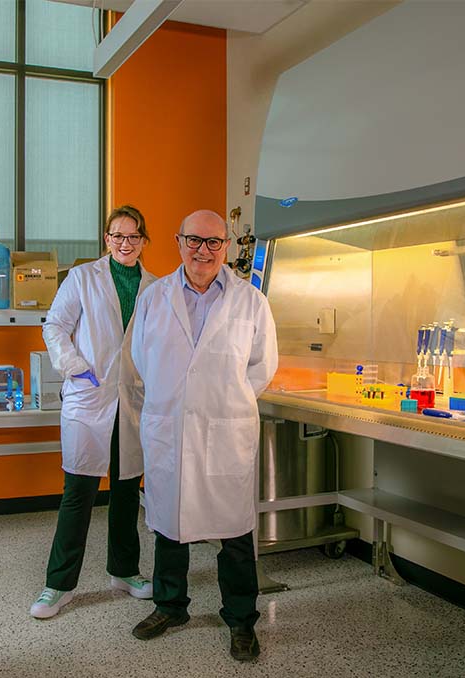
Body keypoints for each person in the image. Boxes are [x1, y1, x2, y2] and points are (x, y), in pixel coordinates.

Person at [129, 209, 279, 661]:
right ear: (178, 243)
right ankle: (170, 606)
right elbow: (141, 357)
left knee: (234, 533)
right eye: (194, 240)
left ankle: (240, 619)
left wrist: (223, 404)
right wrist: (180, 399)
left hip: (224, 430)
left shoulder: (251, 301)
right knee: (168, 526)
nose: (203, 250)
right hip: (170, 427)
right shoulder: (154, 298)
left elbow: (262, 366)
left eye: (214, 242)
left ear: (226, 248)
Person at [30, 205, 158, 619]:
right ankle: (58, 585)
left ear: (143, 240)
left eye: (133, 236)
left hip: (132, 402)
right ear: (106, 239)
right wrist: (76, 367)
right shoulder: (83, 278)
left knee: (125, 491)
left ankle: (125, 571)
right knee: (78, 494)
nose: (125, 243)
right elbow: (54, 326)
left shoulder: (155, 287)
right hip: (90, 397)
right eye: (117, 236)